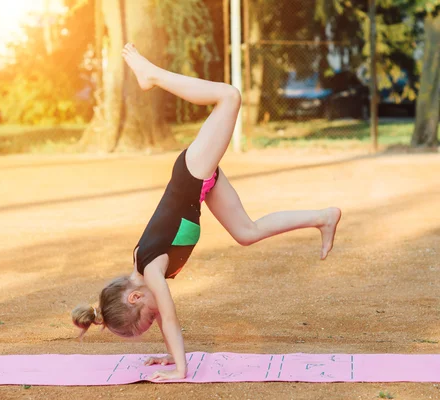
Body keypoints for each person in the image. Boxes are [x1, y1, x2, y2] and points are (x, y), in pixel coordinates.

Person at [72, 43, 342, 382]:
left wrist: (180, 369)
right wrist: (167, 356)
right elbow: (163, 318)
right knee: (247, 233)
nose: (157, 317)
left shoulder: (152, 269)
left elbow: (170, 319)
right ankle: (323, 217)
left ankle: (151, 73)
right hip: (202, 185)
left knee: (230, 96)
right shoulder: (149, 273)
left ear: (136, 295)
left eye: (148, 315)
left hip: (192, 172)